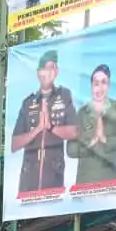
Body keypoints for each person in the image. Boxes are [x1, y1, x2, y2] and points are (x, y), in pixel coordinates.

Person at [10, 49, 78, 196]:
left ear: (56, 71)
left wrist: (51, 127)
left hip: (53, 176)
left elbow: (74, 132)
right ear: (39, 73)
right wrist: (37, 129)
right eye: (45, 68)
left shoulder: (64, 95)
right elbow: (14, 144)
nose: (49, 72)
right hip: (29, 178)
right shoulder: (28, 103)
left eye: (52, 68)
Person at [67, 65, 116, 187]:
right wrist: (90, 144)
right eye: (96, 83)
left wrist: (107, 141)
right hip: (84, 183)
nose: (100, 88)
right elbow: (70, 149)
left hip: (108, 181)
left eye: (104, 82)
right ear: (91, 86)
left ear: (108, 85)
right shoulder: (82, 113)